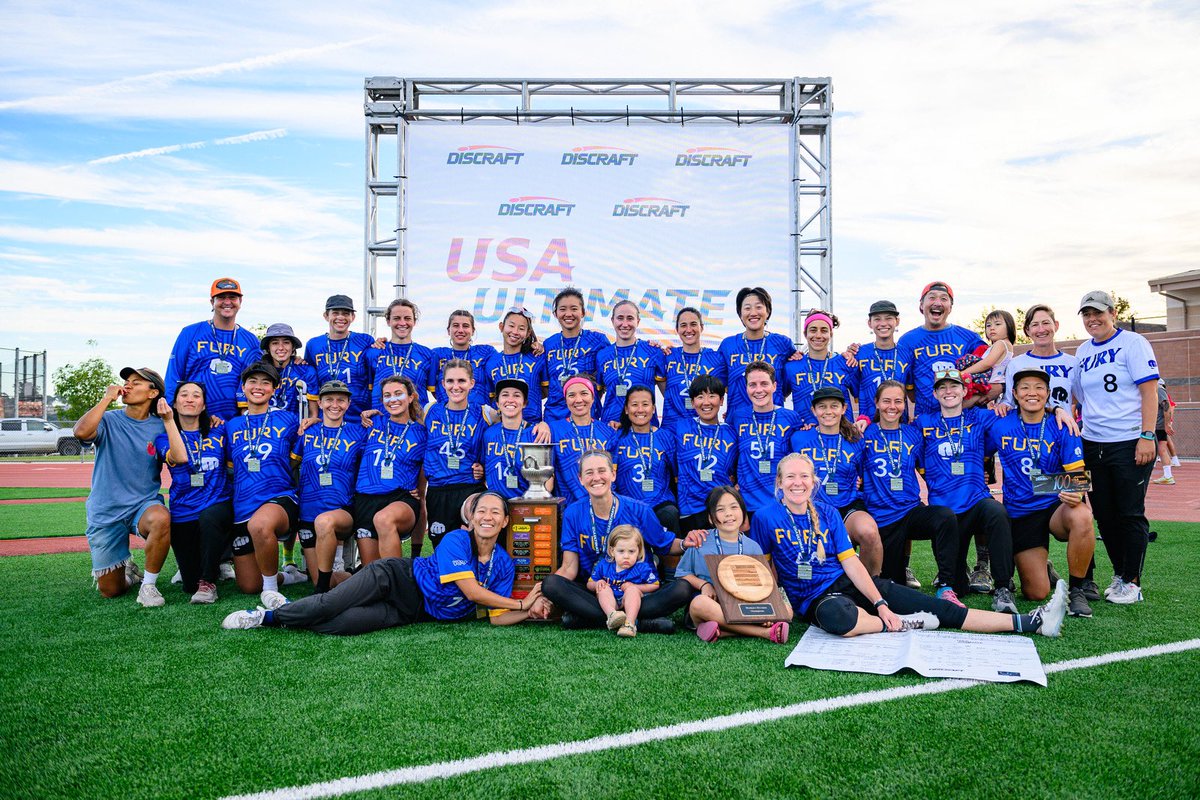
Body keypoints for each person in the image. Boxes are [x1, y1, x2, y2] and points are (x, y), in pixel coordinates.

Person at [750, 453, 1068, 638]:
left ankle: (1031, 622)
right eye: (790, 477)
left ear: (814, 481)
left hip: (848, 583)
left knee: (941, 609)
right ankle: (903, 624)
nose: (797, 483)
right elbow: (765, 569)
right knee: (839, 619)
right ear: (779, 482)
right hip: (815, 599)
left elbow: (851, 564)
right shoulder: (765, 518)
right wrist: (774, 605)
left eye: (804, 477)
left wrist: (880, 602)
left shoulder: (829, 513)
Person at [222, 492, 548, 634]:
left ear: (505, 522)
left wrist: (526, 611)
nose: (487, 517)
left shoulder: (503, 563)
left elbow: (496, 619)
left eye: (495, 512)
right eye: (481, 511)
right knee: (330, 605)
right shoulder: (457, 540)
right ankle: (265, 617)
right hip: (395, 577)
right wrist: (520, 602)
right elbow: (473, 593)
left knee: (338, 624)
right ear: (472, 518)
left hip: (411, 611)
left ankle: (291, 609)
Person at [542, 450, 695, 633]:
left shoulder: (639, 510)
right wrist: (541, 595)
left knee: (682, 589)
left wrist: (687, 542)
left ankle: (592, 619)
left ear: (613, 474)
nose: (596, 477)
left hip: (638, 592)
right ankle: (640, 622)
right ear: (580, 479)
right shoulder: (573, 513)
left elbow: (665, 544)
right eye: (589, 473)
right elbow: (569, 568)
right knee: (551, 584)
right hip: (598, 591)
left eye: (602, 471)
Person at [1072, 290, 1160, 604]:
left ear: (1112, 313)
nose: (1092, 319)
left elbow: (1149, 392)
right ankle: (1120, 574)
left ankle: (1132, 582)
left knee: (1130, 513)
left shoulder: (1134, 343)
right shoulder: (1082, 351)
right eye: (1086, 315)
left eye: (1098, 313)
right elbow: (1080, 396)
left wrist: (1147, 435)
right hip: (1093, 442)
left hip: (1128, 440)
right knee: (1105, 515)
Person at [988, 368, 1095, 617]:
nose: (1032, 393)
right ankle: (1043, 569)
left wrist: (1074, 494)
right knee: (1036, 592)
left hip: (1054, 506)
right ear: (1014, 394)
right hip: (1021, 511)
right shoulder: (1000, 425)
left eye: (1038, 387)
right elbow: (977, 448)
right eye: (1024, 388)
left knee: (1082, 515)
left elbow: (1078, 478)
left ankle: (1076, 590)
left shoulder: (1062, 424)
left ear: (1048, 394)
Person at [917, 368, 1016, 611]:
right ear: (935, 394)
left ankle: (1003, 586)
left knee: (996, 512)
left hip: (976, 501)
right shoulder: (923, 423)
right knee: (957, 586)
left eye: (953, 386)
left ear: (963, 391)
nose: (948, 391)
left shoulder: (979, 417)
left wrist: (1055, 410)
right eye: (942, 387)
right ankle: (954, 579)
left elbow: (1019, 418)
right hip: (945, 514)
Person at [74, 367, 174, 606]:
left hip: (143, 504)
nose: (127, 385)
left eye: (136, 382)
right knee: (111, 590)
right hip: (106, 509)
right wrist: (107, 398)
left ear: (153, 393)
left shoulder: (161, 426)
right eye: (126, 382)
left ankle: (148, 586)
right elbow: (81, 432)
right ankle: (129, 573)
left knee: (161, 518)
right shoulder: (108, 419)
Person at [860, 380, 960, 603]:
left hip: (910, 511)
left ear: (905, 405)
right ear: (876, 403)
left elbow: (928, 469)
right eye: (886, 401)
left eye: (898, 401)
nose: (892, 406)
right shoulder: (863, 435)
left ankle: (945, 585)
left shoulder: (913, 433)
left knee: (944, 517)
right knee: (893, 587)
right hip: (882, 519)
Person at [223, 362, 302, 609]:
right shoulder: (231, 425)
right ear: (243, 387)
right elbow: (228, 468)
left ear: (274, 389)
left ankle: (271, 591)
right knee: (248, 585)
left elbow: (302, 457)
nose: (259, 387)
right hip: (243, 504)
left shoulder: (289, 419)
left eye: (266, 382)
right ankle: (288, 577)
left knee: (261, 524)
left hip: (279, 498)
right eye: (253, 382)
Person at [789, 386, 882, 575]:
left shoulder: (857, 440)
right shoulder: (799, 438)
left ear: (843, 408)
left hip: (847, 505)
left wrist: (859, 484)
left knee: (869, 533)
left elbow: (864, 475)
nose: (828, 411)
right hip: (813, 507)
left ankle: (870, 589)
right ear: (813, 410)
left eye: (834, 406)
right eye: (822, 407)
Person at [677, 486, 788, 644]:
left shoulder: (753, 547)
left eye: (734, 507)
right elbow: (682, 573)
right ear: (710, 517)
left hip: (743, 605)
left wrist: (766, 609)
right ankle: (764, 632)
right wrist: (704, 585)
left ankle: (720, 631)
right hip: (712, 604)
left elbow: (762, 584)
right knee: (699, 603)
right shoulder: (700, 541)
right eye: (720, 509)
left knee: (787, 610)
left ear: (743, 512)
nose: (728, 513)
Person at [154, 381, 232, 603]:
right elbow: (180, 458)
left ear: (204, 405)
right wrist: (169, 422)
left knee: (209, 517)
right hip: (184, 509)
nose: (190, 399)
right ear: (175, 404)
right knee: (189, 584)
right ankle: (209, 569)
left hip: (218, 502)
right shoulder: (163, 437)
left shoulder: (220, 429)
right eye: (184, 395)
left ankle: (208, 582)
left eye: (196, 396)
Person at [293, 380, 367, 593]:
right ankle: (357, 578)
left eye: (341, 400)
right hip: (308, 511)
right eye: (329, 400)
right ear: (321, 403)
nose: (335, 405)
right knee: (321, 579)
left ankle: (320, 596)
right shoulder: (307, 432)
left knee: (325, 522)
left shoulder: (358, 433)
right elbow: (290, 465)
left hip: (342, 510)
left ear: (348, 403)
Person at [352, 375, 427, 562]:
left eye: (398, 394)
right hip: (365, 500)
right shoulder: (371, 424)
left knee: (383, 519)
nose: (392, 399)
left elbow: (424, 481)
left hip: (400, 499)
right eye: (387, 395)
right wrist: (314, 421)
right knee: (373, 573)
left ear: (411, 397)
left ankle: (400, 584)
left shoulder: (421, 432)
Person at [165, 278, 261, 420]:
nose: (227, 302)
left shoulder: (250, 340)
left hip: (235, 422)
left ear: (240, 302)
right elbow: (174, 374)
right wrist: (172, 413)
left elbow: (256, 380)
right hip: (194, 420)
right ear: (212, 302)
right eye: (221, 297)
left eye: (233, 297)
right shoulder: (191, 333)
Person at [896, 281, 987, 417]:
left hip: (967, 420)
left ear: (950, 307)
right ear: (921, 305)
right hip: (927, 421)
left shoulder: (969, 338)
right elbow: (907, 387)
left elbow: (994, 363)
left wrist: (994, 389)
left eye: (944, 299)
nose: (937, 303)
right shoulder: (907, 341)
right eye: (932, 297)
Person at [423, 359, 487, 549]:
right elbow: (400, 420)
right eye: (450, 381)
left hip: (469, 486)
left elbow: (510, 425)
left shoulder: (484, 412)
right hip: (438, 489)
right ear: (443, 384)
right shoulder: (429, 411)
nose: (455, 386)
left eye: (461, 381)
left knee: (473, 540)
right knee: (443, 548)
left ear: (471, 383)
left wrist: (484, 465)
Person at [729, 361, 802, 513]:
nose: (758, 390)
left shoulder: (791, 418)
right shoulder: (737, 417)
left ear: (774, 386)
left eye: (764, 384)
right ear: (746, 387)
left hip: (781, 503)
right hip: (746, 504)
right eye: (752, 385)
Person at [673, 375, 739, 535]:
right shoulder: (680, 427)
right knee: (696, 558)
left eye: (712, 396)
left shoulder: (731, 432)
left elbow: (737, 469)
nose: (706, 402)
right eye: (700, 396)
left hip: (722, 508)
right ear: (693, 401)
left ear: (722, 400)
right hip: (690, 509)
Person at [718, 287, 795, 420]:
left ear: (768, 311)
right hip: (737, 422)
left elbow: (788, 382)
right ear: (740, 314)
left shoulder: (783, 344)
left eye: (759, 307)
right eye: (747, 308)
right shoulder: (728, 345)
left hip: (774, 422)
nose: (753, 313)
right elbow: (720, 382)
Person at [611, 385, 679, 535]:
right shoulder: (617, 437)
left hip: (660, 503)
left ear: (653, 409)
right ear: (626, 409)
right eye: (634, 405)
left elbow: (676, 474)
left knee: (670, 514)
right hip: (627, 503)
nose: (640, 410)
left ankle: (669, 557)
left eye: (645, 404)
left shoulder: (665, 437)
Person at [304, 295, 376, 423]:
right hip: (327, 419)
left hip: (360, 420)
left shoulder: (365, 340)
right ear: (326, 316)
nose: (341, 317)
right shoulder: (314, 345)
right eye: (335, 313)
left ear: (352, 317)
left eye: (346, 313)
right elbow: (312, 382)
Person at [542, 288, 608, 422]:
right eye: (562, 309)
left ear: (583, 312)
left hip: (586, 415)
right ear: (555, 313)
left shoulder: (598, 341)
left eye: (574, 309)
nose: (568, 314)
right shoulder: (548, 344)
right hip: (554, 416)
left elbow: (608, 375)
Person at [783, 310, 858, 428]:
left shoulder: (846, 363)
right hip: (807, 435)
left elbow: (862, 396)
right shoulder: (792, 366)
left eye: (824, 330)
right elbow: (779, 396)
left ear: (831, 334)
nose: (818, 335)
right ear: (805, 334)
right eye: (813, 330)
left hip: (842, 435)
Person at [547, 376, 616, 504]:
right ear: (565, 399)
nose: (578, 400)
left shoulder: (608, 431)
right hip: (567, 508)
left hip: (603, 505)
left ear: (593, 397)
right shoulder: (553, 430)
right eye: (571, 395)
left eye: (584, 393)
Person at [595, 300, 665, 425]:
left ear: (638, 321)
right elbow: (596, 396)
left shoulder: (653, 351)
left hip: (644, 428)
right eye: (620, 318)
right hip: (611, 427)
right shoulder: (602, 355)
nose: (625, 324)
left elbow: (668, 394)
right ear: (612, 321)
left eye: (630, 318)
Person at [587, 525, 660, 638]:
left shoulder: (642, 568)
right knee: (603, 588)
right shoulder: (604, 565)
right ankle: (612, 616)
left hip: (631, 603)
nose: (626, 556)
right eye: (621, 551)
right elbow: (589, 583)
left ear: (639, 551)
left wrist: (636, 587)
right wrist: (597, 583)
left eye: (631, 551)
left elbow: (655, 584)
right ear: (612, 551)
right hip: (611, 602)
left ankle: (629, 624)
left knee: (632, 590)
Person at [661, 306, 726, 432]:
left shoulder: (716, 359)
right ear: (677, 329)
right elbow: (662, 386)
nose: (688, 330)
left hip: (704, 431)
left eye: (693, 324)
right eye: (683, 325)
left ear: (701, 327)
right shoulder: (667, 356)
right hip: (671, 431)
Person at [238, 323, 318, 419]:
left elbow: (313, 414)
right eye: (275, 343)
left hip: (294, 429)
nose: (280, 348)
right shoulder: (253, 371)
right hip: (262, 428)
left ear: (293, 347)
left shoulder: (306, 371)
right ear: (268, 347)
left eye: (286, 342)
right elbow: (244, 410)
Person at [370, 298, 436, 411]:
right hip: (382, 423)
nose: (402, 323)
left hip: (416, 424)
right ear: (388, 321)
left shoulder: (428, 355)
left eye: (407, 318)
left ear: (414, 322)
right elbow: (367, 392)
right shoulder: (373, 353)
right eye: (396, 318)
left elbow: (438, 395)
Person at [853, 300, 911, 429]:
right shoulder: (859, 353)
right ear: (870, 323)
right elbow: (854, 390)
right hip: (867, 425)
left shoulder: (907, 354)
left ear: (897, 321)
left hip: (900, 424)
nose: (883, 324)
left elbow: (912, 393)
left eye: (889, 318)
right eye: (877, 319)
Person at [485, 307, 547, 424]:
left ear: (528, 333)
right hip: (503, 427)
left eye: (521, 328)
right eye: (511, 326)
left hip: (532, 427)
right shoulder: (491, 363)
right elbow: (492, 398)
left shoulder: (537, 357)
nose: (515, 332)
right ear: (501, 327)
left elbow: (545, 391)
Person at [481, 378, 539, 498]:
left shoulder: (535, 433)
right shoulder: (489, 434)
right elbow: (482, 467)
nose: (510, 400)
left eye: (517, 395)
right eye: (505, 395)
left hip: (525, 504)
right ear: (497, 403)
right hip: (496, 505)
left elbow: (547, 479)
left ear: (524, 403)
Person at [432, 309, 497, 408]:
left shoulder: (486, 352)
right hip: (447, 417)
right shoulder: (437, 354)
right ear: (448, 330)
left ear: (473, 331)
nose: (461, 330)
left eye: (465, 326)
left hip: (479, 417)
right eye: (456, 325)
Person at [957, 309, 1015, 408]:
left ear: (1009, 326)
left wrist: (963, 373)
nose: (992, 328)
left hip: (987, 384)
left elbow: (987, 363)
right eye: (988, 325)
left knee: (959, 406)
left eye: (997, 324)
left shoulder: (1001, 343)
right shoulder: (1003, 345)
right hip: (991, 384)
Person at [1152, 378, 1175, 485]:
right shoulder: (1157, 389)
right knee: (1161, 449)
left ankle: (1168, 475)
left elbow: (1166, 406)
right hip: (1158, 424)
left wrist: (1167, 424)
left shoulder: (1159, 389)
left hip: (1158, 425)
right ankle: (1168, 475)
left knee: (1161, 449)